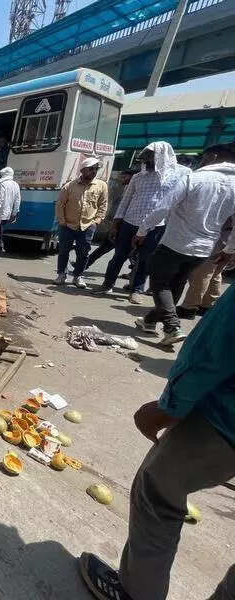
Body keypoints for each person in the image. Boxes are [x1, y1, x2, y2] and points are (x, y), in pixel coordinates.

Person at [78, 283, 235, 600]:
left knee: (158, 491)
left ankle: (135, 593)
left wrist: (170, 406)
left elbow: (214, 349)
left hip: (224, 421)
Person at [133, 142, 235, 346]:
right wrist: (229, 249)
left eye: (203, 158)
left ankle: (172, 327)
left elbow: (163, 207)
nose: (201, 161)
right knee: (176, 283)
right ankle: (150, 321)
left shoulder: (195, 178)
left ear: (213, 157)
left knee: (159, 283)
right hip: (204, 249)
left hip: (176, 243)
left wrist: (142, 230)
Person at [95, 142, 191, 303]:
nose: (146, 162)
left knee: (145, 259)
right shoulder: (138, 177)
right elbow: (125, 201)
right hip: (129, 222)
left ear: (162, 157)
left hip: (156, 226)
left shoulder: (181, 174)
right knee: (119, 256)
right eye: (145, 159)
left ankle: (136, 289)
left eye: (150, 158)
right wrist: (116, 223)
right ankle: (107, 284)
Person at [54, 156, 108, 288]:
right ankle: (62, 274)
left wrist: (97, 221)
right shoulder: (69, 186)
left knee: (83, 253)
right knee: (63, 251)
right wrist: (62, 221)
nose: (94, 171)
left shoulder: (101, 186)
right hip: (68, 225)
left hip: (87, 226)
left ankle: (78, 276)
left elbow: (103, 204)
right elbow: (60, 204)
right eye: (91, 169)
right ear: (83, 170)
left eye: (96, 169)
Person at [176, 217, 233, 319]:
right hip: (226, 240)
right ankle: (207, 304)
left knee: (202, 272)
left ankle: (189, 307)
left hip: (220, 238)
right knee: (214, 273)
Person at [0, 167, 20, 261]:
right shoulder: (16, 185)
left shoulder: (2, 185)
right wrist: (14, 213)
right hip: (7, 213)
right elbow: (17, 200)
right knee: (0, 232)